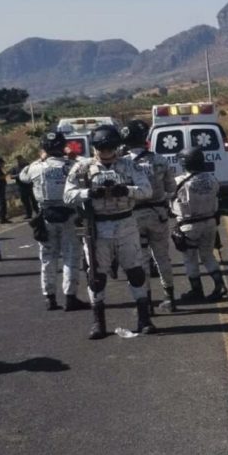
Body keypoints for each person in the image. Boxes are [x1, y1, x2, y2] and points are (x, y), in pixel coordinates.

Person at [64, 125, 155, 340]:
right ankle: (98, 322)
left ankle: (144, 319)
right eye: (102, 148)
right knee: (96, 276)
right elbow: (68, 195)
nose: (106, 152)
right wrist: (89, 193)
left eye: (110, 148)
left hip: (125, 224)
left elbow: (147, 190)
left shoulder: (129, 165)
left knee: (135, 271)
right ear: (95, 147)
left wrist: (127, 190)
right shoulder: (82, 168)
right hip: (97, 228)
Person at [21, 132, 85, 312]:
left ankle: (49, 297)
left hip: (46, 216)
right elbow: (88, 166)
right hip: (69, 215)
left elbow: (22, 176)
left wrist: (40, 159)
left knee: (48, 258)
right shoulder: (72, 165)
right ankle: (70, 296)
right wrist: (74, 156)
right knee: (71, 256)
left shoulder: (35, 167)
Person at [121, 119, 177, 313]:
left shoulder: (122, 163)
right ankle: (170, 297)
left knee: (141, 259)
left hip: (133, 217)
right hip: (158, 214)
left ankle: (147, 302)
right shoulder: (159, 160)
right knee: (162, 257)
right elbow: (171, 187)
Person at [171, 146, 228, 302]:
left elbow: (169, 198)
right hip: (210, 223)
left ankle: (196, 290)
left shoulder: (179, 181)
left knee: (190, 259)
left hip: (189, 225)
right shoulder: (211, 178)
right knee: (208, 256)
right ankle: (220, 285)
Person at [11, 155, 36, 220]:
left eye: (20, 159)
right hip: (21, 187)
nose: (19, 161)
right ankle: (28, 214)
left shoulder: (27, 165)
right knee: (25, 201)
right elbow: (11, 176)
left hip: (29, 185)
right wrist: (18, 175)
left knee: (34, 200)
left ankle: (38, 212)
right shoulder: (14, 168)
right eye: (17, 160)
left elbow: (32, 172)